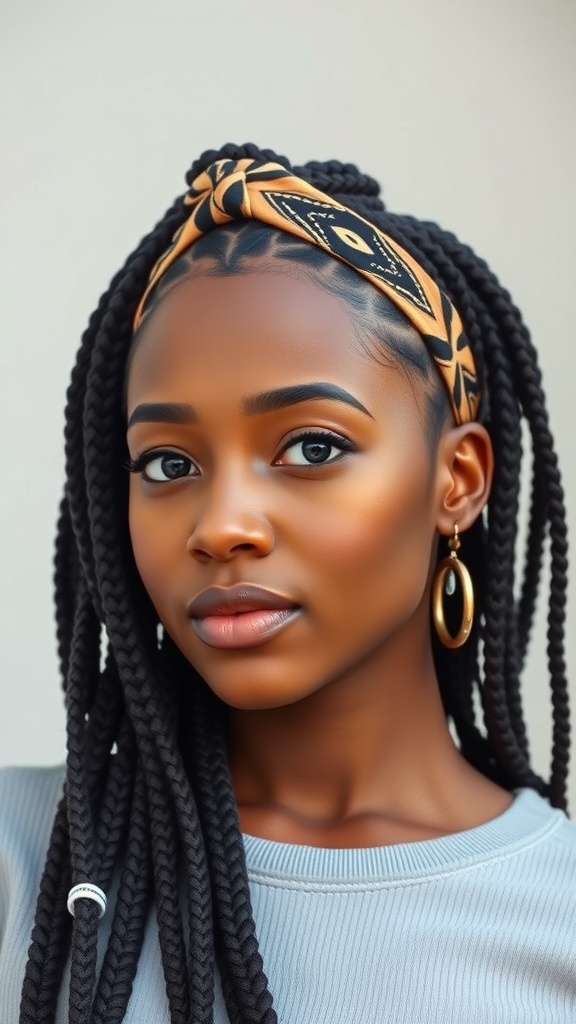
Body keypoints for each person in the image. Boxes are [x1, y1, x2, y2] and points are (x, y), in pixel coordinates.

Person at [0, 142, 574, 1024]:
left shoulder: (556, 923)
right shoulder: (23, 860)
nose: (222, 524)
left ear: (455, 481)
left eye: (312, 447)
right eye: (166, 462)